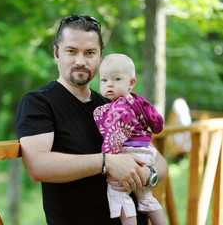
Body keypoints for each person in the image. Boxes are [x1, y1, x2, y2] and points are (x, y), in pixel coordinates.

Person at [14, 15, 168, 225]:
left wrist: (148, 173)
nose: (80, 61)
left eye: (89, 53)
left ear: (99, 57)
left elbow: (158, 159)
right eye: (71, 51)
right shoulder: (39, 102)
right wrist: (106, 163)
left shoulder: (114, 104)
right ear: (56, 53)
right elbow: (37, 165)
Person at [93, 54, 166, 225]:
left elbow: (115, 137)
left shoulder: (118, 109)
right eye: (104, 80)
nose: (109, 84)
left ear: (131, 83)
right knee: (146, 198)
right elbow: (156, 121)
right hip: (145, 154)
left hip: (129, 153)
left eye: (117, 79)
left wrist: (107, 160)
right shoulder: (137, 101)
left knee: (119, 196)